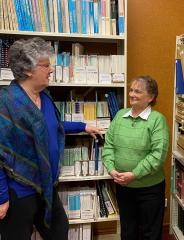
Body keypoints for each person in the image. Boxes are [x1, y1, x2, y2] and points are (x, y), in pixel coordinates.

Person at [0, 37, 103, 240]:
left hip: (47, 186)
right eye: (46, 65)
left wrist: (82, 126)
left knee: (58, 231)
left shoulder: (44, 96)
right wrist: (2, 196)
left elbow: (52, 126)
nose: (52, 69)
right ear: (28, 69)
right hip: (19, 191)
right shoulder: (6, 103)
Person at [103, 76, 169, 240]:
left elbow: (158, 154)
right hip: (123, 187)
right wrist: (111, 169)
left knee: (150, 233)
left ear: (151, 97)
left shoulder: (157, 120)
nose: (132, 94)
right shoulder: (119, 115)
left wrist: (134, 174)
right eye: (131, 90)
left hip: (149, 189)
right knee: (128, 230)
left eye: (138, 91)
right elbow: (109, 145)